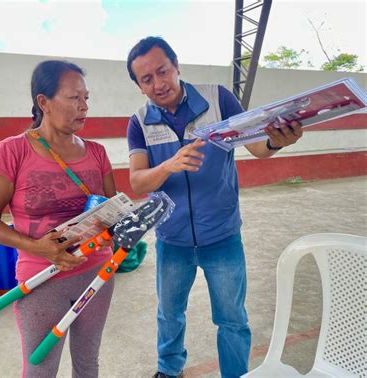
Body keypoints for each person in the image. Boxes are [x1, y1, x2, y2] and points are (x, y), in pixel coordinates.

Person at [125, 36, 303, 378]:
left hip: (222, 235)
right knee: (169, 313)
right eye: (146, 79)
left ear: (176, 66)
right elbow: (137, 181)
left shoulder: (218, 98)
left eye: (163, 71)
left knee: (232, 318)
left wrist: (276, 140)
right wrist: (169, 165)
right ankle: (168, 370)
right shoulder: (139, 121)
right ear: (139, 86)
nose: (158, 83)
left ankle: (235, 374)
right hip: (172, 239)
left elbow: (258, 148)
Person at [0, 60, 117, 378]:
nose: (84, 107)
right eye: (74, 98)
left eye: (86, 98)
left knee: (87, 363)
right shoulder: (12, 152)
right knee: (40, 369)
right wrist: (38, 247)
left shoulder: (97, 153)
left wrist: (125, 225)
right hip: (41, 281)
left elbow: (111, 210)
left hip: (97, 274)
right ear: (43, 102)